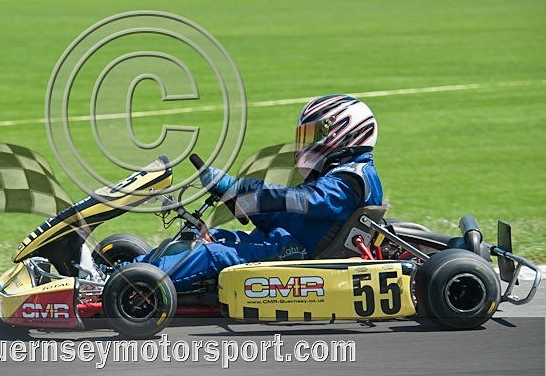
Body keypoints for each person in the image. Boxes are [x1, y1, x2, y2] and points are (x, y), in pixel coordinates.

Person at [135, 94, 384, 294]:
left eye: (313, 135)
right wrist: (243, 201)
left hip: (294, 253)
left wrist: (242, 188)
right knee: (205, 238)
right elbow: (291, 217)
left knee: (209, 254)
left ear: (345, 133)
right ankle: (133, 266)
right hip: (286, 242)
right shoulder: (341, 176)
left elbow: (301, 200)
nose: (306, 142)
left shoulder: (352, 180)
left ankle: (132, 281)